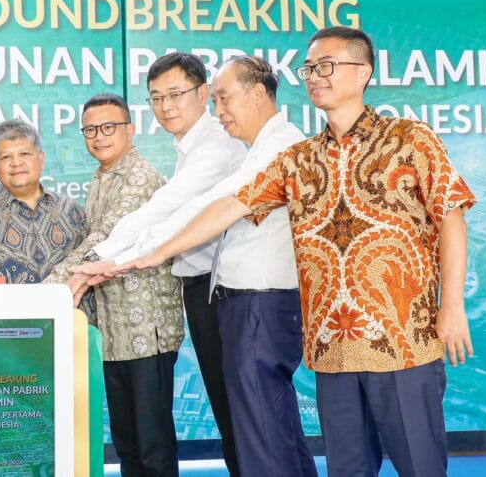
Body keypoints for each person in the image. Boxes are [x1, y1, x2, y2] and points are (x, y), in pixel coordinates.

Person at [85, 27, 475, 477]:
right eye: (309, 69)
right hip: (333, 348)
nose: (315, 76)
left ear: (363, 72)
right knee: (346, 470)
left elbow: (451, 214)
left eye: (326, 66)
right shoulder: (300, 158)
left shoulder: (410, 138)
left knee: (421, 467)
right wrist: (154, 253)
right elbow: (230, 204)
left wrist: (452, 306)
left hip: (403, 341)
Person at [124, 57, 315, 476]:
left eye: (224, 98)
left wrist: (152, 252)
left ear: (258, 93)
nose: (220, 110)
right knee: (272, 429)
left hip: (259, 304)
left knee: (261, 436)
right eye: (156, 98)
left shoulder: (279, 147)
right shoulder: (260, 148)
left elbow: (221, 205)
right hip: (249, 303)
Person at [83, 52, 245, 474]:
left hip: (223, 291)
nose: (166, 106)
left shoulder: (215, 148)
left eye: (175, 94)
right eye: (157, 97)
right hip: (203, 290)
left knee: (239, 416)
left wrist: (99, 260)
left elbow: (165, 211)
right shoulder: (187, 148)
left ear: (203, 94)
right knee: (229, 413)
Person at [44, 93, 183, 476]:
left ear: (130, 129)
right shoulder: (101, 178)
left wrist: (50, 287)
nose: (99, 136)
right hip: (115, 332)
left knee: (152, 447)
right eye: (90, 130)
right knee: (128, 445)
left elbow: (105, 238)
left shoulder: (140, 178)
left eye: (108, 127)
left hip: (146, 332)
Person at [0, 119, 87, 283]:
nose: (16, 163)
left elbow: (88, 271)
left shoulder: (71, 211)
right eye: (6, 157)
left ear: (41, 159)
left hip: (67, 301)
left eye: (24, 154)